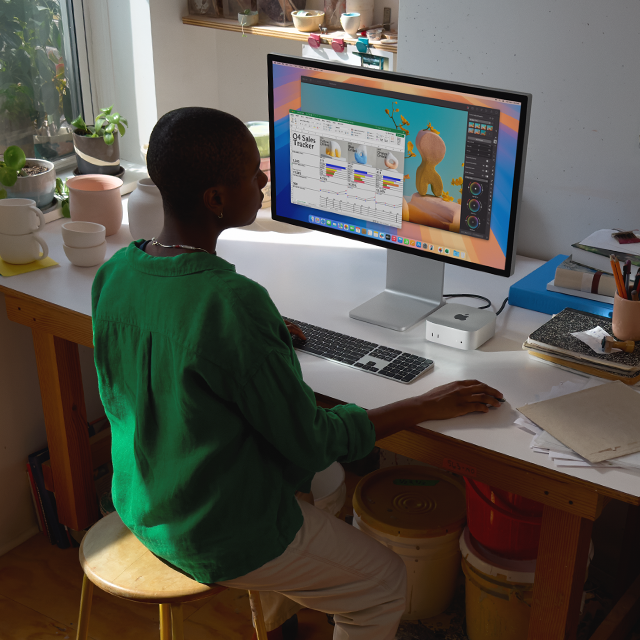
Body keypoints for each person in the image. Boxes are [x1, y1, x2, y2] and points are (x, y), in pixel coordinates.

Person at [91, 107, 504, 640]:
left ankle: (294, 602)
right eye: (251, 170)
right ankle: (323, 588)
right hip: (214, 532)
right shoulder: (233, 305)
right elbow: (310, 442)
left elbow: (164, 364)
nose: (265, 175)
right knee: (384, 583)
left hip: (146, 501)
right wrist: (421, 405)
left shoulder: (117, 272)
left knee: (329, 485)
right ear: (216, 199)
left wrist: (260, 336)